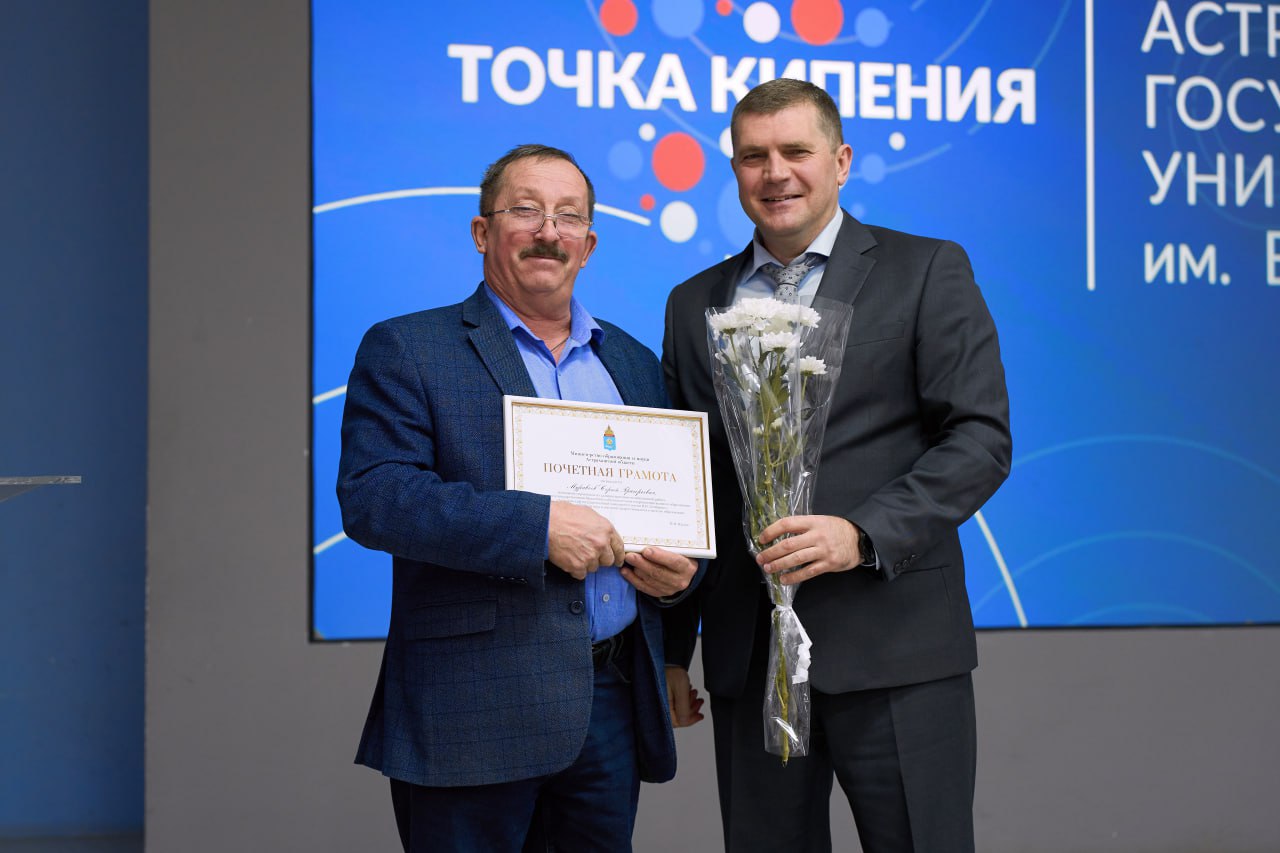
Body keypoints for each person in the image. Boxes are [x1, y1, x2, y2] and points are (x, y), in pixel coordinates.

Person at [661, 79, 1012, 852]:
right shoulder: (692, 303)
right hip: (750, 657)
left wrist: (862, 533)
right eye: (753, 156)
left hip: (896, 649)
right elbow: (695, 485)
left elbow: (980, 438)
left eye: (796, 150)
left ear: (842, 160)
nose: (775, 173)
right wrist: (673, 647)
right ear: (734, 167)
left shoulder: (925, 270)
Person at [337, 143, 701, 852]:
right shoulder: (409, 348)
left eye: (568, 217)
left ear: (588, 245)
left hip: (610, 700)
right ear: (482, 231)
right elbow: (376, 497)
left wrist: (681, 574)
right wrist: (536, 528)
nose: (548, 232)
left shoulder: (634, 363)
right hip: (473, 706)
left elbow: (675, 508)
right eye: (525, 210)